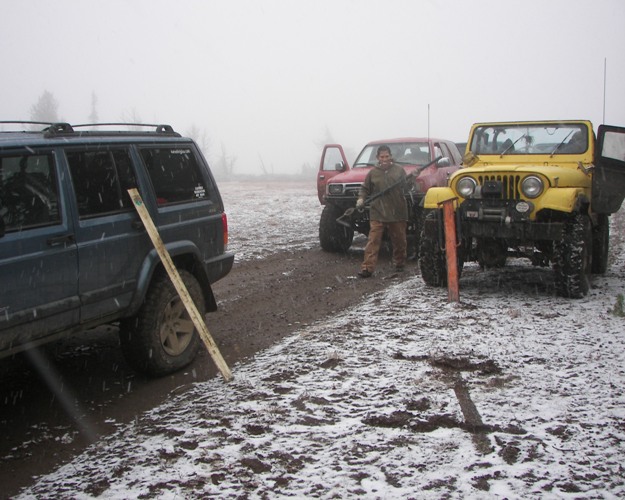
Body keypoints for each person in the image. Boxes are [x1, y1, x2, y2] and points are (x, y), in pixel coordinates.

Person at [356, 145, 409, 278]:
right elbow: (364, 189)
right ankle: (367, 268)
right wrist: (361, 199)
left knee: (399, 240)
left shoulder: (399, 170)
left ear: (390, 156)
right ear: (377, 158)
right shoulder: (373, 173)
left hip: (397, 211)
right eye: (381, 157)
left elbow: (408, 187)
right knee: (373, 240)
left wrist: (412, 178)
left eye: (386, 156)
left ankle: (399, 263)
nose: (384, 159)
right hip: (377, 211)